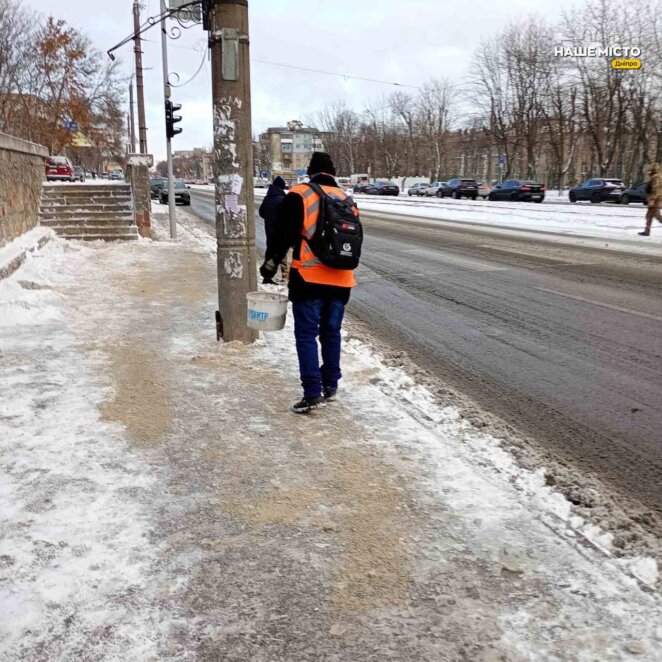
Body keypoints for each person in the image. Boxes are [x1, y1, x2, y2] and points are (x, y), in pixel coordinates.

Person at [260, 152, 357, 414]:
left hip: (309, 278)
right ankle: (331, 386)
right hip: (342, 278)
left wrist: (270, 265)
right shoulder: (346, 198)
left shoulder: (300, 194)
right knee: (331, 333)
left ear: (310, 171)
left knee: (306, 335)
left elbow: (282, 237)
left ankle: (312, 391)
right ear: (333, 173)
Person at [258, 175, 288, 281]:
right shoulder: (282, 199)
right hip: (279, 230)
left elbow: (261, 213)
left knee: (270, 252)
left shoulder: (268, 197)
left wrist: (269, 218)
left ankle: (267, 276)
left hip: (269, 229)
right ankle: (285, 275)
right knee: (280, 253)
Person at [638, 163, 662, 236]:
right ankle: (647, 231)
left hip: (655, 200)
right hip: (655, 199)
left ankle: (647, 231)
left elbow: (655, 189)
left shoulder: (655, 177)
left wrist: (652, 199)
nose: (648, 172)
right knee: (649, 215)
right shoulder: (656, 177)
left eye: (649, 170)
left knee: (656, 215)